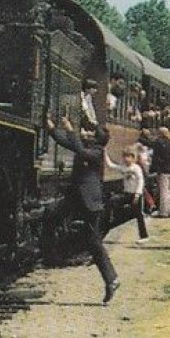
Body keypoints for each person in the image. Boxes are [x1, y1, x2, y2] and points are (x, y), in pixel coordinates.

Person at [47, 114, 121, 305]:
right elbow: (67, 143)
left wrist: (70, 129)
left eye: (90, 132)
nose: (86, 133)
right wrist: (52, 128)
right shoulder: (88, 148)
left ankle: (111, 279)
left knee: (94, 242)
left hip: (89, 202)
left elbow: (78, 147)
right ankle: (50, 253)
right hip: (77, 199)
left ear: (97, 139)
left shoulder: (96, 152)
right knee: (51, 214)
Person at [107, 140, 150, 244]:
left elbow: (140, 181)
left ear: (133, 157)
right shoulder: (123, 167)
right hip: (127, 193)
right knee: (113, 201)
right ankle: (111, 219)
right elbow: (111, 165)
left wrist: (138, 194)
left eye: (129, 157)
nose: (126, 159)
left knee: (139, 215)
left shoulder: (136, 168)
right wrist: (105, 153)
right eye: (125, 157)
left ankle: (144, 236)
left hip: (135, 194)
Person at [150, 129, 170, 218]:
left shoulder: (159, 143)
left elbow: (155, 156)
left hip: (163, 169)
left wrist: (153, 168)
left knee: (164, 191)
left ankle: (163, 212)